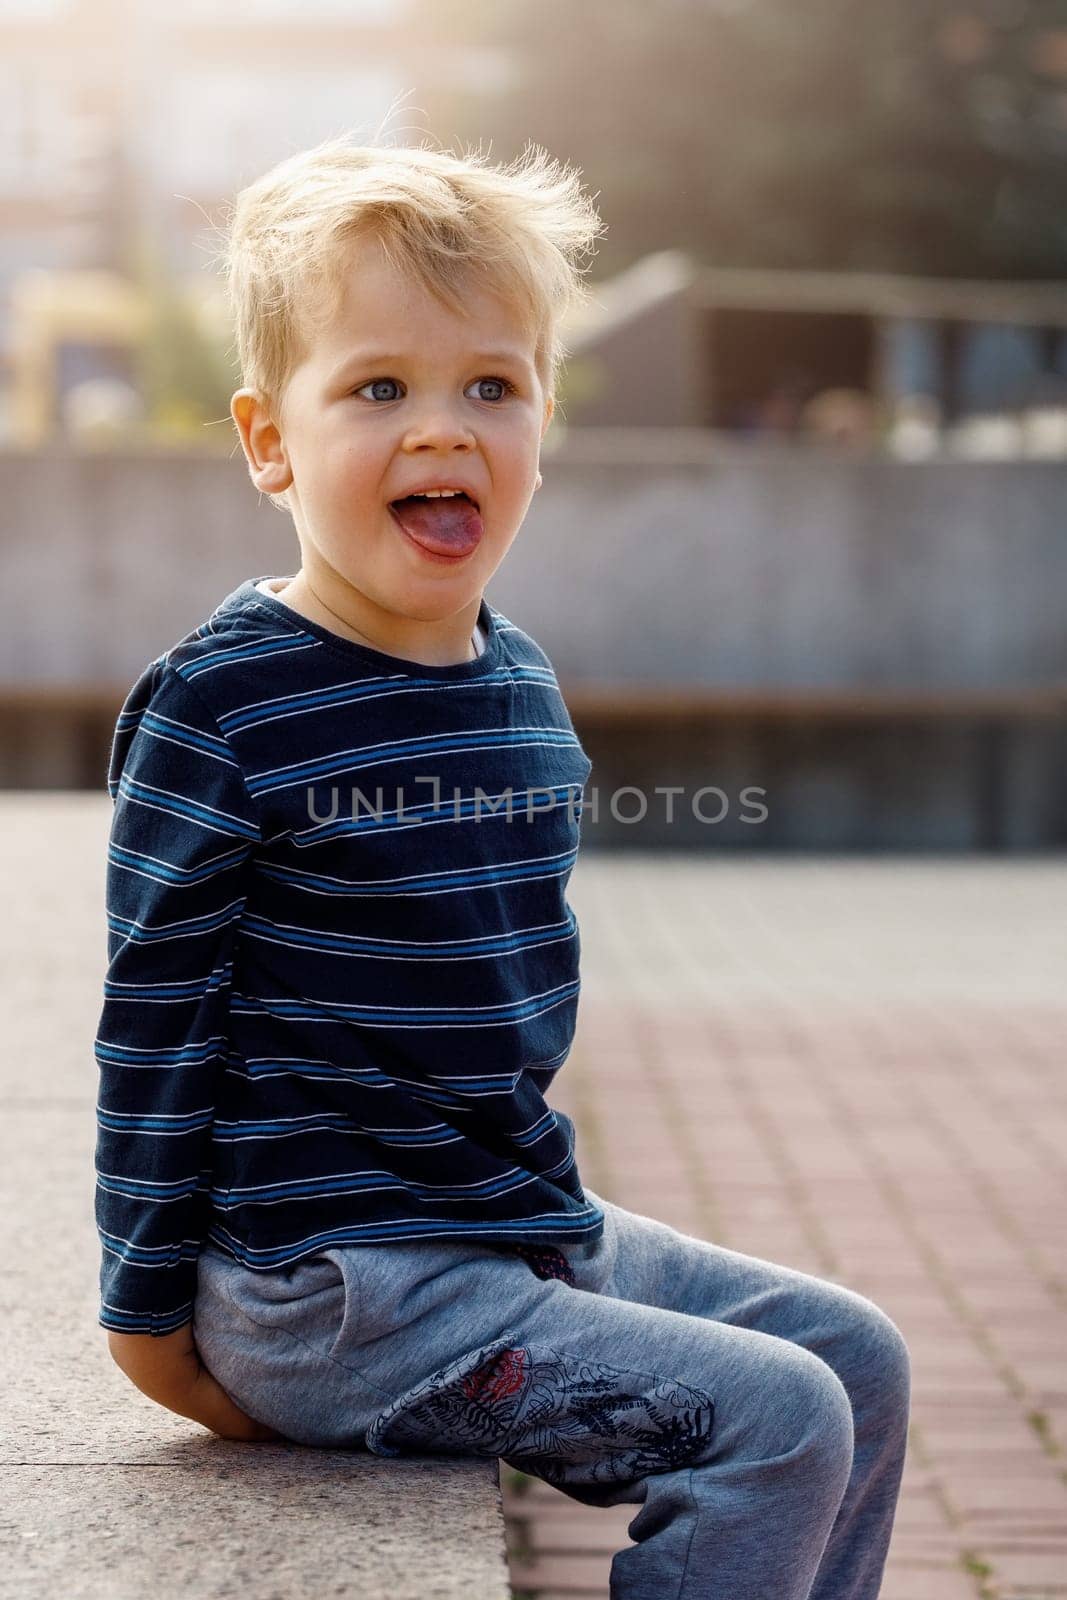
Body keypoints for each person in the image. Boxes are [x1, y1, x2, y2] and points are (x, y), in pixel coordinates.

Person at [95, 135, 910, 1600]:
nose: (443, 431)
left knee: (858, 1355)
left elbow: (497, 1014)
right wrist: (148, 1319)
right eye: (376, 388)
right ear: (269, 439)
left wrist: (552, 1235)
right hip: (335, 1292)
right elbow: (156, 1027)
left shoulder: (519, 679)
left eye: (492, 385)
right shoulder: (226, 702)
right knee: (779, 1423)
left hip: (506, 1233)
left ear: (545, 417)